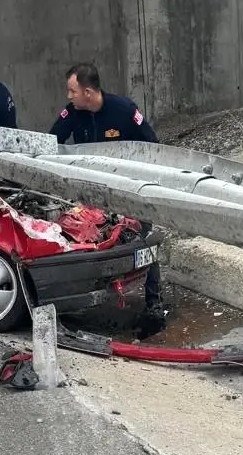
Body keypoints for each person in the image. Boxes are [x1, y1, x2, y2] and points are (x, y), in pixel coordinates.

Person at [49, 62, 164, 327]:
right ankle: (94, 301)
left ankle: (154, 302)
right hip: (91, 195)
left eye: (72, 91)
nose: (69, 96)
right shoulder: (72, 114)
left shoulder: (123, 110)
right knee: (90, 243)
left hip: (128, 191)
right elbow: (51, 141)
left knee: (142, 243)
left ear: (87, 92)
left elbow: (153, 146)